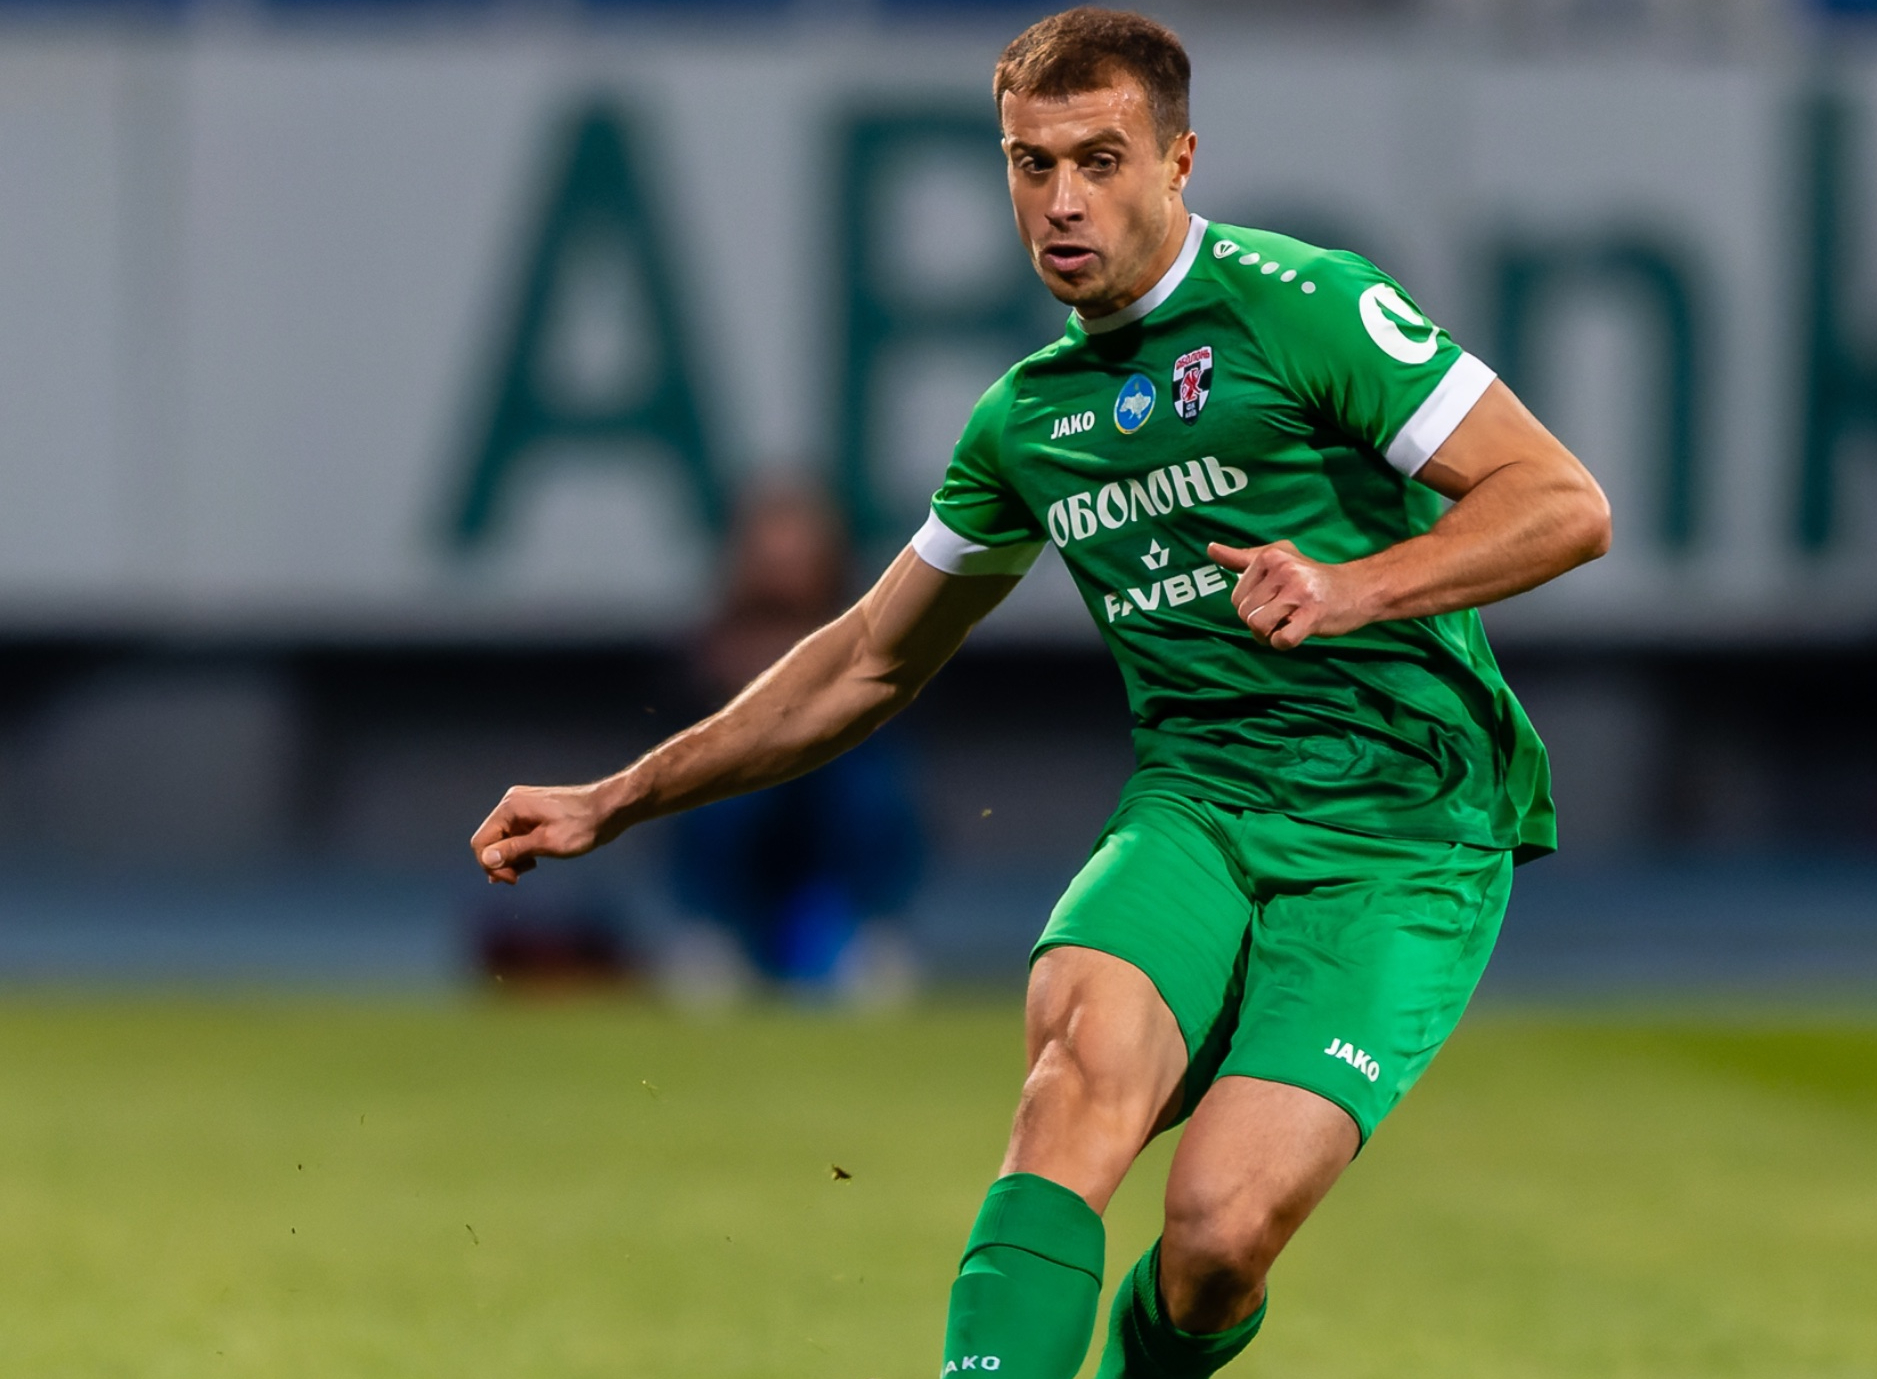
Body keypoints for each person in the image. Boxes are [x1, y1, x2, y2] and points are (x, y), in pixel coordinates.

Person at [468, 7, 1611, 1374]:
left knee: (1216, 1235)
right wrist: (614, 797)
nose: (1062, 200)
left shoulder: (1301, 305)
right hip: (1198, 805)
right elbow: (868, 656)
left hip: (1403, 832)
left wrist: (1354, 585)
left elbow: (1562, 501)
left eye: (1100, 160)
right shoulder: (1028, 420)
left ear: (1179, 160)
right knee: (1074, 1082)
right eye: (1031, 163)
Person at [669, 480, 925, 993]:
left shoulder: (872, 628)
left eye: (797, 557)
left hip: (834, 802)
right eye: (770, 558)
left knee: (872, 793)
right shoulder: (713, 646)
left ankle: (868, 938)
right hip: (750, 813)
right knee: (711, 790)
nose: (782, 574)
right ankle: (715, 937)